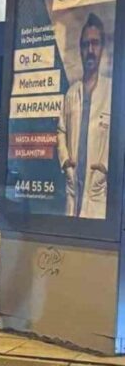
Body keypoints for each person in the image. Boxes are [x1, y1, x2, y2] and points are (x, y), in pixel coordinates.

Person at [59, 12, 112, 219]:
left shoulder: (112, 91)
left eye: (95, 44)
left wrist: (105, 167)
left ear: (102, 48)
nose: (90, 50)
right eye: (85, 44)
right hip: (74, 186)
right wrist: (65, 161)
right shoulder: (72, 93)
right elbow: (61, 130)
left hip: (98, 190)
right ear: (80, 49)